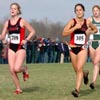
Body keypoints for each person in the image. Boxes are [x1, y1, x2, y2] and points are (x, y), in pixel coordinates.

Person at [62, 3, 98, 97]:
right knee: (77, 70)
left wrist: (89, 31)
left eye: (80, 10)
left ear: (83, 11)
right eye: (77, 10)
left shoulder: (87, 22)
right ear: (75, 12)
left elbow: (95, 30)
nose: (79, 12)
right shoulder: (72, 21)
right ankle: (85, 74)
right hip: (73, 48)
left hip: (83, 48)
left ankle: (77, 90)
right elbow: (64, 33)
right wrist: (75, 27)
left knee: (79, 68)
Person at [0, 2, 35, 94]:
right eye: (11, 8)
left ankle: (24, 69)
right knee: (11, 70)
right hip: (11, 47)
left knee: (16, 68)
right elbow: (3, 35)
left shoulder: (22, 21)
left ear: (18, 11)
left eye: (15, 8)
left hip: (20, 47)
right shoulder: (7, 23)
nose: (12, 10)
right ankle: (18, 88)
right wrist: (3, 40)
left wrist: (26, 39)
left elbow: (32, 31)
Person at [88, 5, 100, 89]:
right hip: (91, 43)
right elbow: (87, 31)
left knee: (96, 62)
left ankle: (93, 82)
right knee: (93, 62)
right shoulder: (90, 20)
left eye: (97, 10)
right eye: (94, 11)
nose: (95, 12)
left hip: (99, 42)